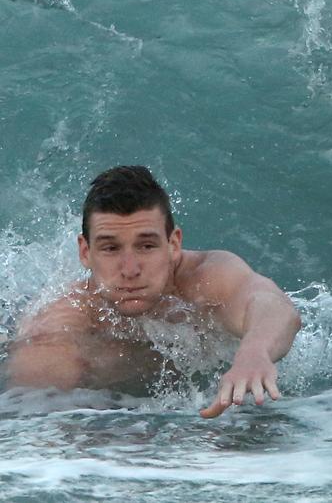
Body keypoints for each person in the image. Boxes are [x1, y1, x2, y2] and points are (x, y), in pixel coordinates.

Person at [7, 165, 301, 418]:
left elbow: (273, 305)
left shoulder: (205, 279)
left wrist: (254, 352)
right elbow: (34, 413)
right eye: (110, 248)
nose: (130, 269)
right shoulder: (64, 323)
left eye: (146, 246)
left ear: (173, 244)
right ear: (85, 252)